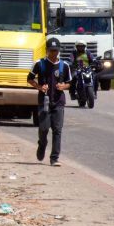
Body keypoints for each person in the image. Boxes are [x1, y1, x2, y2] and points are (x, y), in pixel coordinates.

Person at [27, 37, 72, 167]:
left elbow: (69, 83)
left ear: (59, 51)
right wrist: (40, 87)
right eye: (51, 50)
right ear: (47, 50)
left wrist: (63, 86)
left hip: (58, 102)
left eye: (56, 50)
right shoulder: (39, 64)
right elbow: (29, 79)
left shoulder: (65, 65)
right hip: (44, 102)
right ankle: (42, 145)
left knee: (57, 130)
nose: (54, 53)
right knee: (44, 128)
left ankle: (54, 158)